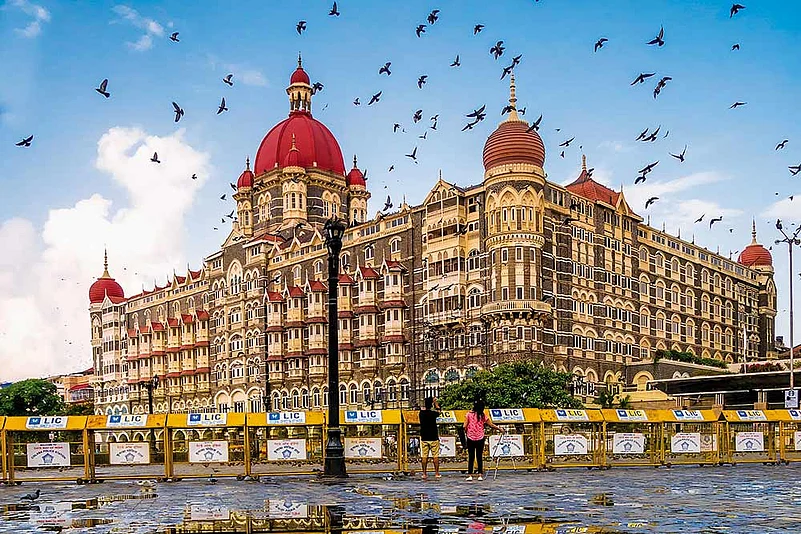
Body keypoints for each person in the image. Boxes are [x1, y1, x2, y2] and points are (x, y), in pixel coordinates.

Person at [463, 399, 502, 481]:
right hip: (480, 437)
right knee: (479, 456)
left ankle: (470, 475)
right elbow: (491, 425)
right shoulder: (483, 415)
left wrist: (466, 430)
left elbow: (464, 426)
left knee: (471, 456)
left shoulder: (468, 415)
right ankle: (480, 475)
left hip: (470, 437)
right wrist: (499, 429)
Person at [419, 396, 441, 479]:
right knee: (435, 456)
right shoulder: (433, 413)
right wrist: (436, 403)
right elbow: (439, 411)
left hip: (424, 436)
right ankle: (436, 473)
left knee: (424, 456)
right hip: (433, 436)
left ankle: (424, 473)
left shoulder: (421, 413)